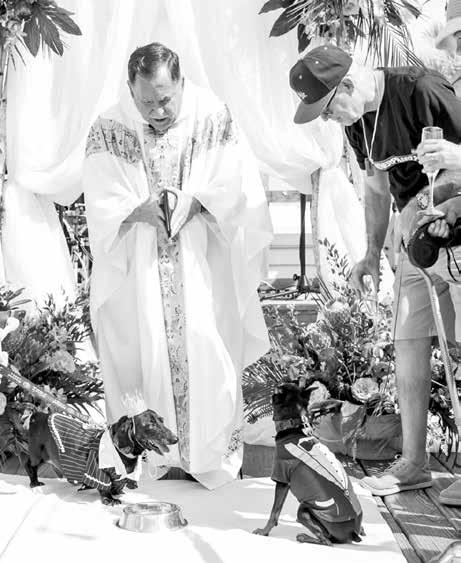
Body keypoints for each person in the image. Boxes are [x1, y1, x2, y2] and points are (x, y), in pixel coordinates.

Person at [83, 42, 273, 489]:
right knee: (141, 349)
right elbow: (99, 198)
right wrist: (137, 210)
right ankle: (155, 461)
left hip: (201, 260)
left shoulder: (212, 116)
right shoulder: (109, 127)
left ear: (182, 82)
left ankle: (207, 455)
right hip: (139, 265)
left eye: (166, 99)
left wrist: (197, 202)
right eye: (146, 102)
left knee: (208, 345)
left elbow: (236, 184)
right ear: (130, 90)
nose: (158, 111)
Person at [289, 44, 461, 495]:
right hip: (414, 243)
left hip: (456, 231)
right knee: (408, 343)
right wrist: (369, 252)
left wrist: (433, 202)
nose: (329, 120)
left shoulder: (421, 90)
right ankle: (414, 463)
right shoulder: (358, 121)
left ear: (347, 85)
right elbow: (377, 188)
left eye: (328, 109)